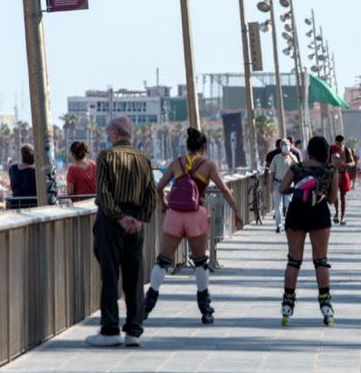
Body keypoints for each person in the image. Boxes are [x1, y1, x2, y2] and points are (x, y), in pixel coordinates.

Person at [144, 127, 243, 325]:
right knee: (200, 261)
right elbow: (223, 188)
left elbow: (159, 187)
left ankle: (147, 305)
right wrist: (236, 211)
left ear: (187, 146)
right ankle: (205, 308)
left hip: (174, 215)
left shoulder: (176, 164)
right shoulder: (207, 165)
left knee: (163, 260)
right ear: (204, 147)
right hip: (196, 215)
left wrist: (164, 205)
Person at [86, 117, 158, 347]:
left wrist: (118, 217)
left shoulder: (106, 157)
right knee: (134, 277)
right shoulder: (143, 160)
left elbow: (104, 193)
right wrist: (139, 219)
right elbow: (151, 195)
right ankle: (134, 331)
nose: (106, 135)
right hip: (136, 221)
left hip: (111, 221)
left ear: (116, 133)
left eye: (108, 131)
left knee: (110, 275)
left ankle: (110, 329)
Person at [279, 135, 340, 326]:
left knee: (294, 260)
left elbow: (282, 188)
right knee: (321, 260)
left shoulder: (297, 167)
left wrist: (298, 192)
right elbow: (332, 199)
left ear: (309, 150)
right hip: (319, 214)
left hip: (296, 213)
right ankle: (325, 304)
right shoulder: (331, 169)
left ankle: (287, 304)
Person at [270, 139, 296, 233]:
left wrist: (291, 156)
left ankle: (288, 224)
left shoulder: (292, 157)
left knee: (288, 205)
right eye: (284, 145)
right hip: (277, 183)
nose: (286, 146)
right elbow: (272, 172)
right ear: (281, 147)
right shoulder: (276, 158)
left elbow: (298, 165)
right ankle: (279, 225)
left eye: (288, 144)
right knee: (278, 206)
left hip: (289, 184)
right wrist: (271, 185)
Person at [329, 136, 354, 226]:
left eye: (340, 144)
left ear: (343, 143)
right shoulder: (331, 150)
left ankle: (343, 217)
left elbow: (353, 162)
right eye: (337, 144)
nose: (338, 146)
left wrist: (348, 164)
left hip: (343, 174)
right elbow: (328, 161)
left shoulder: (347, 151)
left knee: (343, 195)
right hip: (334, 174)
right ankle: (337, 212)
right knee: (334, 194)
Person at [8, 145, 37, 209]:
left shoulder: (13, 169)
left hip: (15, 205)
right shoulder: (35, 172)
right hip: (31, 207)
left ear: (22, 155)